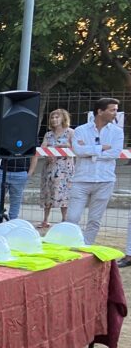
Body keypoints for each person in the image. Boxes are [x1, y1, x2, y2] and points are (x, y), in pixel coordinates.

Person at [68, 97, 123, 245]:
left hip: (105, 180)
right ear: (100, 111)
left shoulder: (117, 132)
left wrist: (89, 151)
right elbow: (78, 151)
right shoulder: (80, 130)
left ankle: (86, 247)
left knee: (94, 219)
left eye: (116, 110)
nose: (115, 113)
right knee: (72, 217)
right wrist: (100, 148)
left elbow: (115, 153)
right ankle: (71, 245)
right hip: (81, 180)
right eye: (112, 110)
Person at [30, 109, 74, 228]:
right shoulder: (48, 134)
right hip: (49, 167)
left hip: (65, 168)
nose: (54, 119)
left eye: (57, 117)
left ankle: (65, 220)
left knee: (63, 193)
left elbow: (76, 148)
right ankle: (45, 220)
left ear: (63, 118)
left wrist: (62, 146)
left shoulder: (70, 132)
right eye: (52, 117)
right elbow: (43, 147)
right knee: (48, 192)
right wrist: (47, 153)